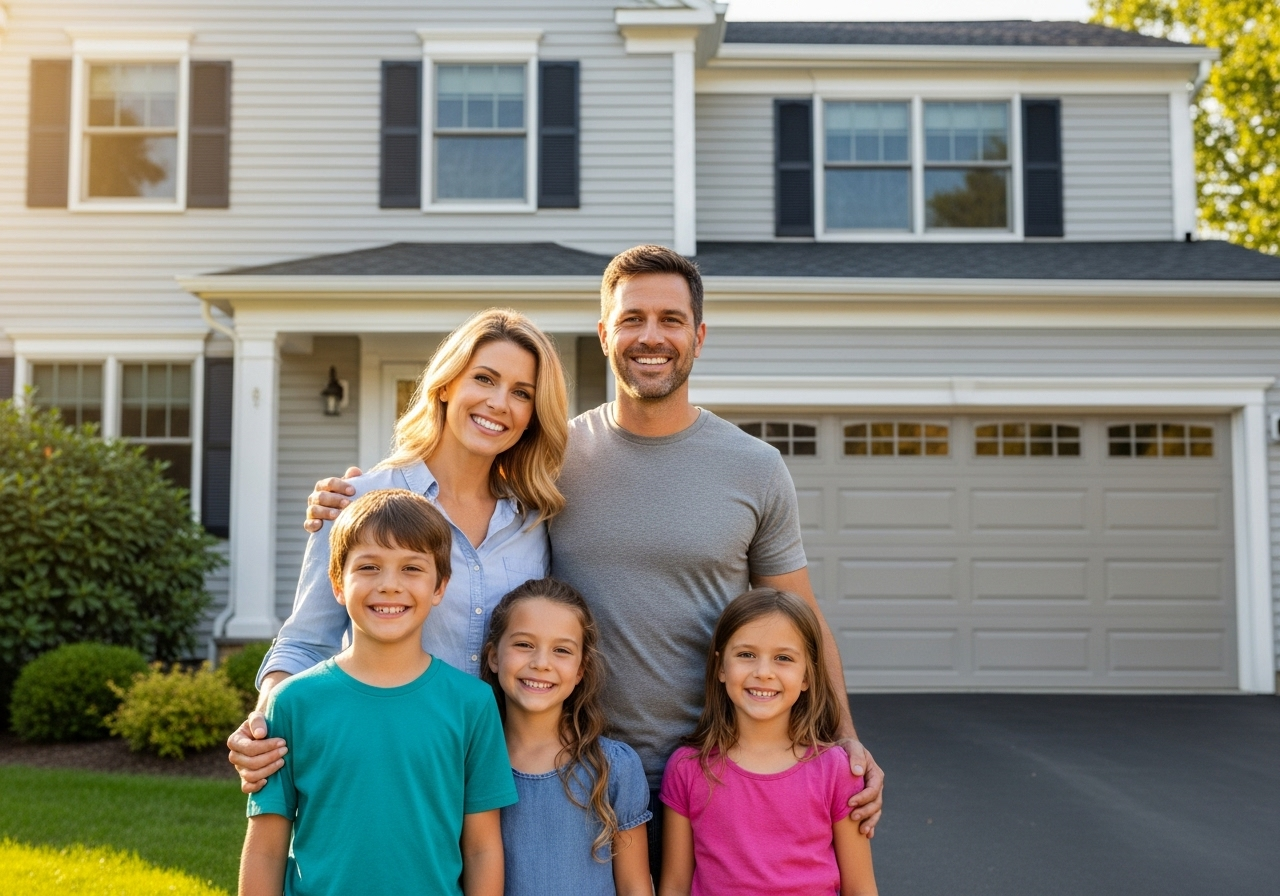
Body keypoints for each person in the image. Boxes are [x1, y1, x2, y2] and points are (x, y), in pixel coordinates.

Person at [300, 246, 885, 877]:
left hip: (715, 766)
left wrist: (843, 737)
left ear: (699, 335)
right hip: (572, 767)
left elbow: (797, 613)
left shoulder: (756, 467)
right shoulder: (550, 461)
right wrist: (358, 503)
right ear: (605, 334)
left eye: (671, 319)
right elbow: (452, 483)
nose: (651, 337)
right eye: (632, 319)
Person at [228, 308, 568, 787]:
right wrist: (265, 723)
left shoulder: (537, 519)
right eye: (484, 379)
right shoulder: (359, 501)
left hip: (503, 776)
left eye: (521, 393)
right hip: (385, 766)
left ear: (534, 415)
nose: (498, 403)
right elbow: (307, 639)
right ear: (447, 384)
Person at [238, 489, 516, 896]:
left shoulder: (472, 705)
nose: (389, 585)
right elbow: (265, 849)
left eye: (411, 569)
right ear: (337, 583)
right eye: (369, 567)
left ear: (440, 587)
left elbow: (481, 848)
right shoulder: (294, 703)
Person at [658, 589, 877, 896]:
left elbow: (861, 889)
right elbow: (675, 886)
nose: (763, 672)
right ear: (721, 667)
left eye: (783, 658)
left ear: (807, 676)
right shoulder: (687, 768)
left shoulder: (836, 770)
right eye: (746, 655)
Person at [481, 577, 652, 896]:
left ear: (580, 670)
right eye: (524, 644)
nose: (540, 663)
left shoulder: (614, 768)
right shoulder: (471, 764)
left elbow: (635, 886)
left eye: (561, 650)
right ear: (493, 656)